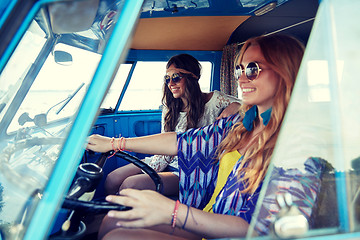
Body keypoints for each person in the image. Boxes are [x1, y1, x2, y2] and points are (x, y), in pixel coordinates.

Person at [87, 34, 324, 240]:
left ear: (286, 71)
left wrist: (172, 211)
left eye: (253, 68)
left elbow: (262, 230)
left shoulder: (298, 149)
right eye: (239, 69)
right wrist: (114, 143)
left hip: (230, 233)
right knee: (112, 222)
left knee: (119, 235)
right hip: (211, 214)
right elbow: (181, 141)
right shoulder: (241, 123)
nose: (241, 79)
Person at [105, 53, 241, 196]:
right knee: (112, 179)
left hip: (189, 170)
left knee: (130, 185)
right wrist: (151, 168)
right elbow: (165, 144)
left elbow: (254, 105)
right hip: (164, 159)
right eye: (167, 78)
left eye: (176, 77)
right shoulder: (170, 107)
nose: (171, 84)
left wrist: (237, 105)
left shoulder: (215, 101)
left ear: (192, 77)